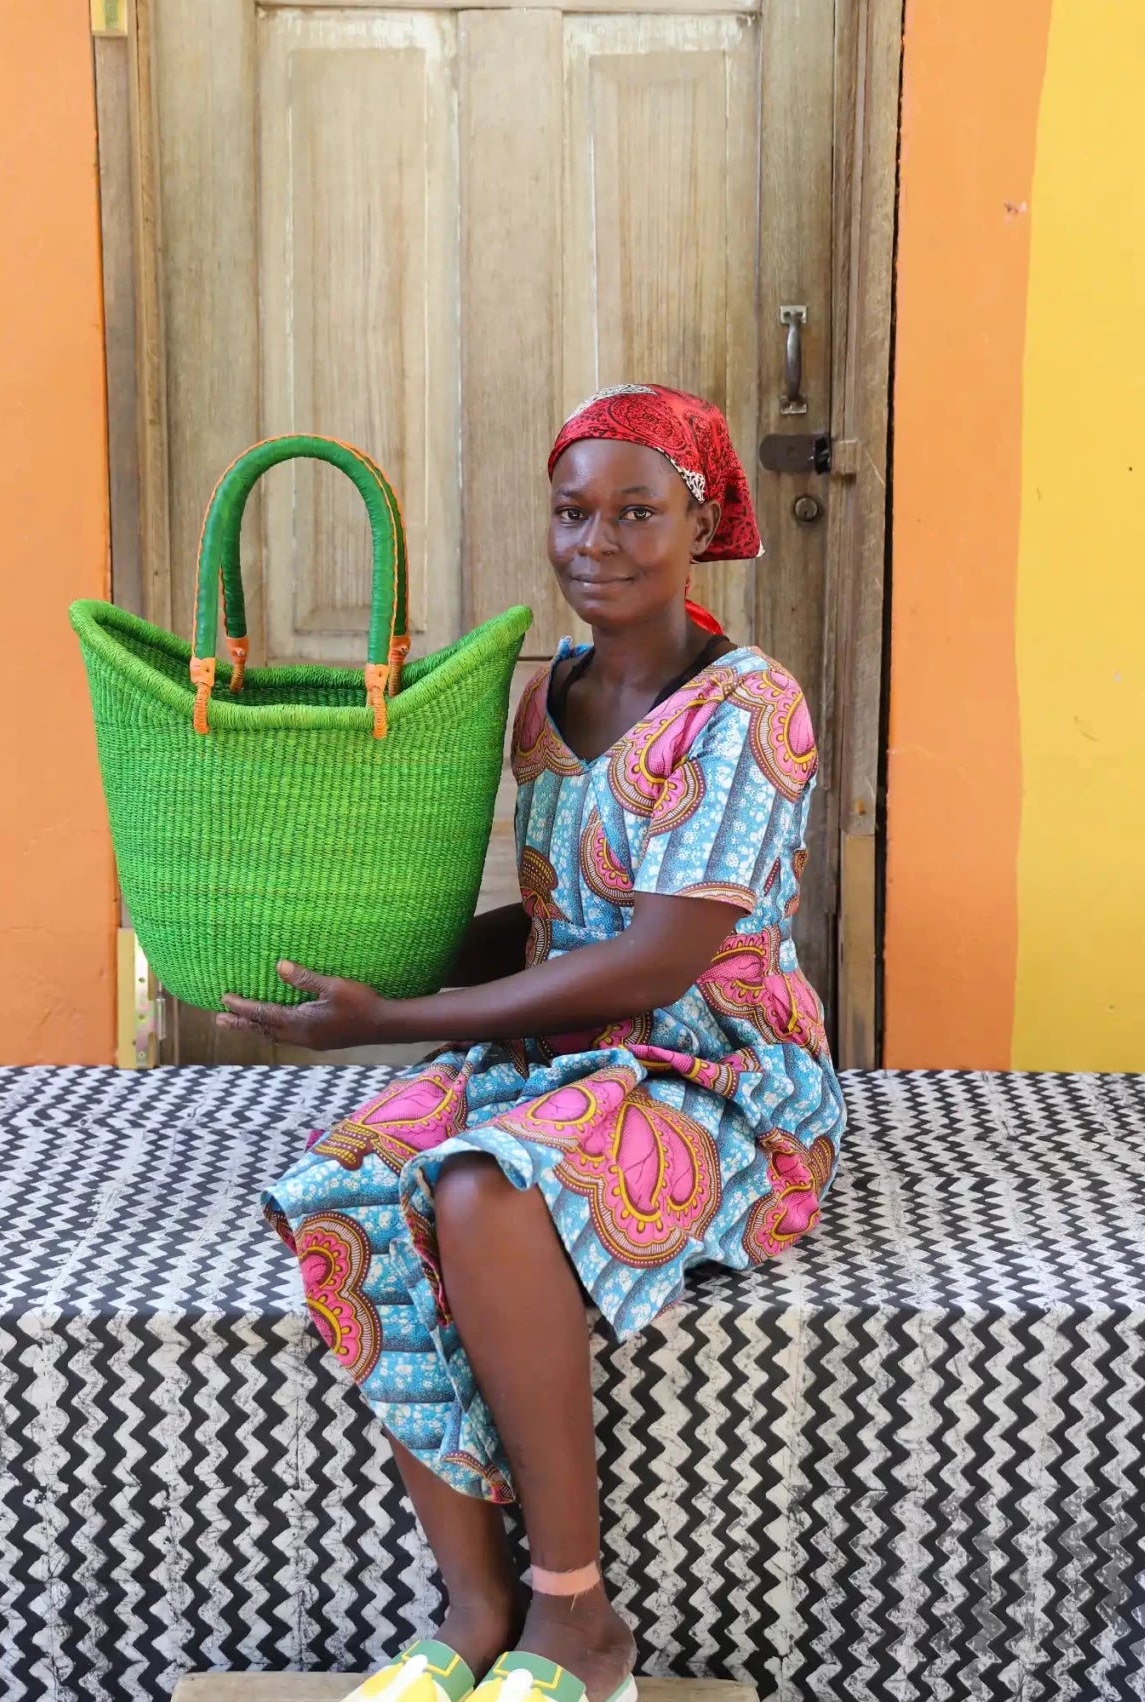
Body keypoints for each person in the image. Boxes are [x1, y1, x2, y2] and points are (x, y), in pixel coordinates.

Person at [220, 384, 845, 1702]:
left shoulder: (747, 708)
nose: (596, 543)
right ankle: (473, 1607)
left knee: (482, 1187)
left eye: (636, 513)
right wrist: (367, 967)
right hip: (555, 1053)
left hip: (712, 1073)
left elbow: (655, 959)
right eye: (572, 513)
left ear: (701, 525)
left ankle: (577, 1615)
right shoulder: (543, 696)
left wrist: (391, 1024)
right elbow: (554, 921)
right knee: (347, 1180)